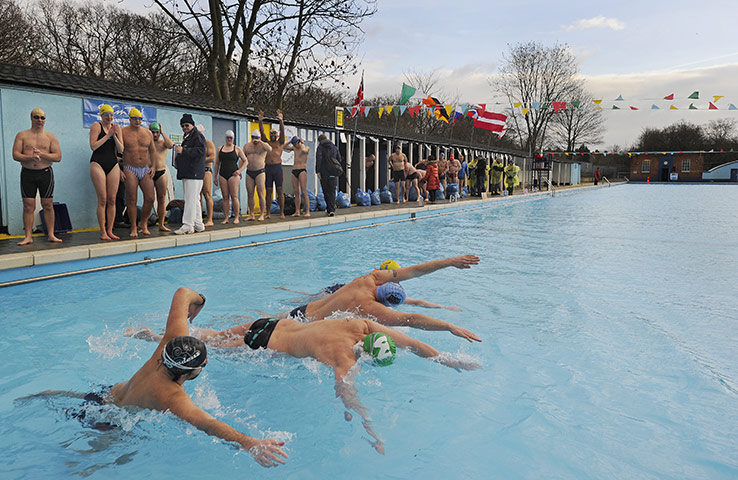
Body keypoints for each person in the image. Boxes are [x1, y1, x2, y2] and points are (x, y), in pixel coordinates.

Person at [132, 312, 479, 455]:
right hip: (264, 346)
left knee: (212, 337)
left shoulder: (359, 324)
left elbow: (411, 339)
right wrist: (369, 426)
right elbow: (346, 392)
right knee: (217, 351)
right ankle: (158, 341)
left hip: (272, 322)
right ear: (368, 356)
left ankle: (154, 337)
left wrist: (446, 352)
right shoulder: (345, 358)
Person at [27, 287, 288, 467]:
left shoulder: (167, 344)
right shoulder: (173, 397)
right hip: (111, 425)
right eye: (203, 363)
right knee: (100, 463)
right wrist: (250, 442)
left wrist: (198, 304)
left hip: (102, 396)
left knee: (73, 399)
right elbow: (209, 424)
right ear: (193, 371)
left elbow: (183, 293)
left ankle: (43, 395)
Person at [282, 255, 482, 342]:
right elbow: (411, 319)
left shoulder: (371, 278)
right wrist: (448, 326)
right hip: (304, 330)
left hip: (300, 312)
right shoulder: (370, 309)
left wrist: (450, 261)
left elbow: (415, 271)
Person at [12, 107, 63, 245]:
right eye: (36, 117)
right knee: (28, 205)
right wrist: (31, 157)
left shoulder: (50, 137)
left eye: (42, 118)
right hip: (28, 173)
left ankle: (51, 234)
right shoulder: (22, 135)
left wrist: (42, 155)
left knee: (47, 204)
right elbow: (15, 155)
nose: (39, 120)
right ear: (31, 118)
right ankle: (28, 236)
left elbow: (58, 157)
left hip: (45, 173)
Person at [89, 104, 123, 241]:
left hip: (112, 163)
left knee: (112, 199)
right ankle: (102, 231)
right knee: (102, 199)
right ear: (101, 116)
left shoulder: (116, 128)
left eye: (111, 115)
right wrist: (107, 135)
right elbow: (93, 146)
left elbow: (121, 149)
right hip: (97, 163)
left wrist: (114, 136)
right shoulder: (96, 126)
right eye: (106, 115)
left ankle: (110, 230)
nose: (109, 117)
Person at [121, 108, 156, 238]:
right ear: (130, 119)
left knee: (151, 198)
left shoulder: (147, 133)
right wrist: (119, 170)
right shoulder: (123, 132)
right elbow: (117, 151)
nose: (137, 121)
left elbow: (153, 151)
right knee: (132, 199)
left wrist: (153, 166)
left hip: (145, 168)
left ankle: (144, 223)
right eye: (135, 118)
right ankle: (134, 227)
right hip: (130, 168)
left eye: (140, 118)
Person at [173, 114, 206, 235]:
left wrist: (183, 150)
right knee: (195, 199)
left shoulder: (197, 136)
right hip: (190, 172)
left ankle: (187, 225)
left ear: (192, 125)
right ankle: (198, 224)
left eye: (186, 125)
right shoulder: (188, 137)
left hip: (194, 173)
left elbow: (201, 151)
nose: (184, 127)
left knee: (190, 199)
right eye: (182, 126)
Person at [213, 130, 247, 224]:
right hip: (223, 174)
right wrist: (215, 176)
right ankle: (226, 218)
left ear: (233, 138)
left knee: (234, 196)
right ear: (225, 138)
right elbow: (216, 164)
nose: (229, 139)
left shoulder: (237, 149)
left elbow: (246, 161)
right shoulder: (220, 148)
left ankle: (236, 217)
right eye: (227, 137)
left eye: (231, 138)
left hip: (234, 174)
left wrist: (239, 171)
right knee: (225, 197)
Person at [259, 109, 289, 219]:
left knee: (280, 190)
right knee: (268, 191)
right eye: (271, 133)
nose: (272, 135)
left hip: (277, 168)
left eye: (274, 134)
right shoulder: (267, 142)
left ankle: (282, 213)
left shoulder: (280, 142)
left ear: (276, 135)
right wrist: (260, 121)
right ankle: (268, 213)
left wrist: (281, 120)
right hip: (268, 168)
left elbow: (283, 132)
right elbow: (262, 133)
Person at [242, 128, 271, 221]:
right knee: (250, 193)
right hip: (249, 172)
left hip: (260, 172)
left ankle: (262, 214)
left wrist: (260, 141)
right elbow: (243, 159)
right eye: (253, 137)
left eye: (257, 137)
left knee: (261, 193)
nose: (255, 139)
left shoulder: (263, 146)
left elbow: (269, 149)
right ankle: (251, 214)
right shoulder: (247, 146)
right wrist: (239, 171)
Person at [149, 122, 174, 232]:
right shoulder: (147, 143)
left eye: (157, 132)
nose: (155, 135)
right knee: (149, 199)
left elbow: (171, 145)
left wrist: (163, 132)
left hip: (161, 173)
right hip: (149, 173)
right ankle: (144, 224)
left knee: (161, 199)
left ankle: (161, 224)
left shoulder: (163, 143)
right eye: (153, 132)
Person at [284, 136, 311, 217]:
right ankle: (297, 211)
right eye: (294, 144)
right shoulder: (294, 148)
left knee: (303, 191)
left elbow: (304, 150)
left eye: (296, 144)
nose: (295, 146)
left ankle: (308, 211)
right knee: (296, 192)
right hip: (294, 170)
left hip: (302, 170)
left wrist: (302, 143)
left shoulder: (305, 147)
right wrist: (290, 141)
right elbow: (284, 147)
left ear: (299, 142)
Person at [315, 133, 341, 217]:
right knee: (332, 191)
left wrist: (318, 171)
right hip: (333, 172)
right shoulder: (334, 147)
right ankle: (331, 209)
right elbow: (339, 159)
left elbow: (319, 159)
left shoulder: (320, 147)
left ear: (320, 140)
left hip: (324, 172)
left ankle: (329, 209)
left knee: (326, 191)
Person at [198, 124, 216, 227]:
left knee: (207, 194)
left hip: (206, 171)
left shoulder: (209, 143)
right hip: (197, 171)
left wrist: (199, 160)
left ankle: (210, 219)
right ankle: (199, 218)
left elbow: (212, 158)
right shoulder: (196, 144)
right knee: (198, 196)